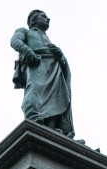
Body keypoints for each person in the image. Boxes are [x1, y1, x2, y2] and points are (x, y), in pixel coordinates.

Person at [10, 10, 75, 138]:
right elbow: (14, 41)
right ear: (33, 20)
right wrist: (27, 51)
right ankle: (33, 119)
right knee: (35, 90)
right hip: (37, 62)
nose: (48, 19)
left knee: (57, 97)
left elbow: (60, 58)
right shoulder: (25, 31)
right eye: (43, 16)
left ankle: (53, 128)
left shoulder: (47, 37)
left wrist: (60, 55)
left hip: (54, 66)